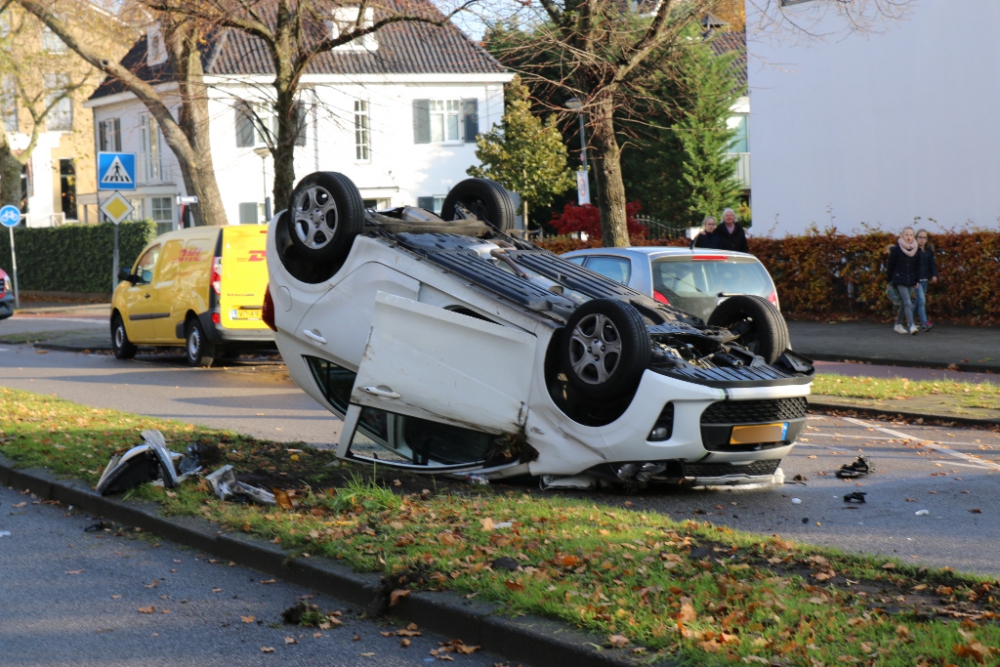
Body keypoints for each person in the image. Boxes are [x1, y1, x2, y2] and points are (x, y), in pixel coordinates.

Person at [886, 226, 921, 335]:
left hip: (911, 279)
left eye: (911, 235)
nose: (909, 237)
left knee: (904, 303)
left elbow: (917, 267)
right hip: (899, 279)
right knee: (907, 302)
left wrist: (917, 281)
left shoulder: (916, 250)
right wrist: (890, 280)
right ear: (902, 236)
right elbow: (890, 265)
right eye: (907, 235)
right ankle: (911, 325)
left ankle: (898, 324)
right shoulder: (896, 250)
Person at [914, 229, 938, 332]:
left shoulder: (928, 251)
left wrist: (934, 275)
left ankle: (910, 320)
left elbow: (932, 264)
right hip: (917, 280)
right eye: (920, 237)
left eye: (924, 237)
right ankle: (924, 323)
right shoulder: (914, 251)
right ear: (916, 238)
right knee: (922, 301)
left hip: (925, 279)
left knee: (918, 302)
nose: (922, 240)